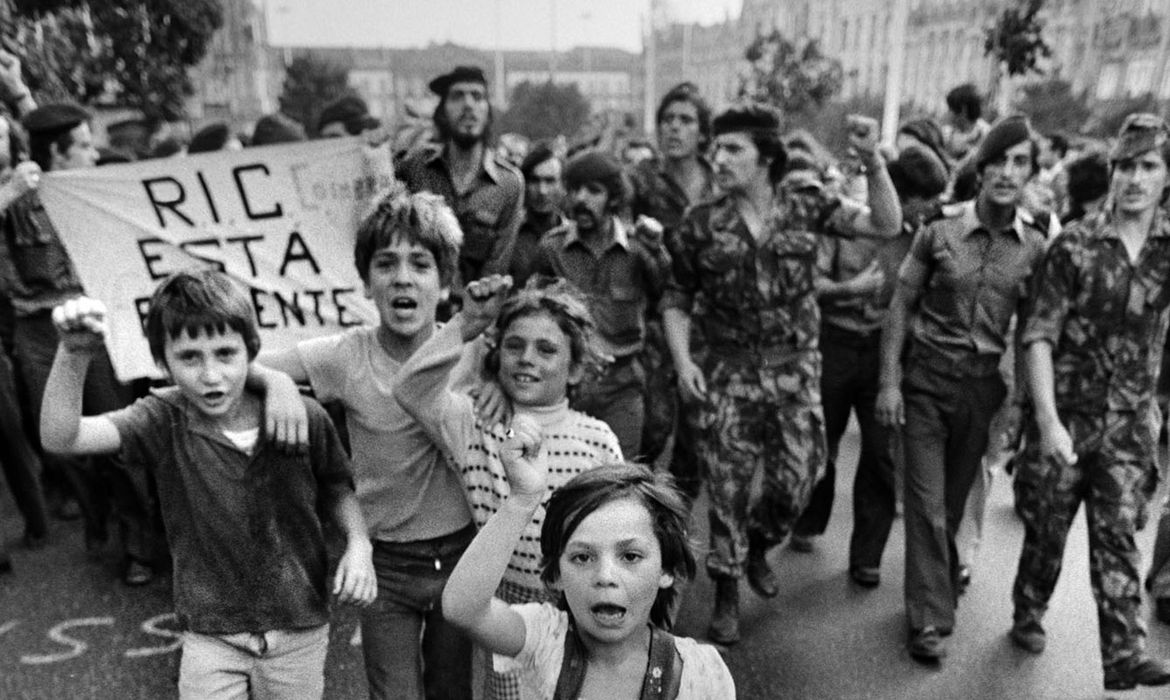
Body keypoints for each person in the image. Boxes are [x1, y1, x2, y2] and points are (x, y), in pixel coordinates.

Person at [39, 270, 376, 699]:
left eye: (224, 353)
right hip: (210, 635)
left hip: (299, 627)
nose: (211, 375)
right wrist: (73, 354)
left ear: (252, 350)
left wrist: (359, 544)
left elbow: (336, 485)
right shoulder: (162, 419)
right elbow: (61, 437)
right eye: (190, 357)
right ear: (162, 361)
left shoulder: (302, 415)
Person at [663, 103, 901, 644]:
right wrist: (684, 363)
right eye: (716, 149)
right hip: (727, 374)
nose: (718, 159)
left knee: (800, 479)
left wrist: (874, 163)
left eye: (733, 149)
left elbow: (885, 225)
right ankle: (726, 590)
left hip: (795, 373)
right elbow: (676, 298)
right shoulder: (701, 224)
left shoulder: (806, 204)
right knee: (724, 487)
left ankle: (760, 544)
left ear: (765, 156)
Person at [256, 188, 478, 700]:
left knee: (454, 692)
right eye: (386, 263)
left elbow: (505, 430)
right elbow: (245, 365)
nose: (402, 276)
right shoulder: (344, 355)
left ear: (445, 282)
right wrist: (281, 384)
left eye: (420, 264)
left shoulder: (471, 352)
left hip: (464, 555)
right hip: (387, 566)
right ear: (365, 279)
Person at [394, 274, 623, 699]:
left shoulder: (597, 439)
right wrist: (468, 323)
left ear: (575, 368)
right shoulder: (476, 425)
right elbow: (409, 387)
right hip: (507, 610)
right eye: (514, 346)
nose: (527, 358)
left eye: (547, 349)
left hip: (581, 603)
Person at [876, 115, 1051, 664]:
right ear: (980, 167)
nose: (1006, 173)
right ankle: (929, 618)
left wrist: (1022, 404)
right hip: (926, 383)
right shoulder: (939, 229)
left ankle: (935, 586)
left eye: (1019, 162)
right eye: (997, 160)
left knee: (951, 508)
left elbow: (1032, 335)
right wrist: (889, 383)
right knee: (926, 504)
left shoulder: (1035, 249)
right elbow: (900, 304)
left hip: (982, 394)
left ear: (1030, 175)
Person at [1011, 113, 1170, 691]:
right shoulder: (1075, 244)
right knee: (1047, 532)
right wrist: (1048, 422)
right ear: (1112, 173)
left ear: (1165, 178)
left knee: (1118, 533)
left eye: (1148, 166)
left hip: (1129, 426)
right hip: (1069, 420)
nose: (1134, 178)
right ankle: (1027, 609)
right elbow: (1038, 336)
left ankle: (1124, 653)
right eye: (1125, 166)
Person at [0, 102, 152, 580]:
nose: (93, 153)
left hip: (97, 320)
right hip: (39, 330)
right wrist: (7, 196)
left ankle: (139, 548)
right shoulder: (14, 197)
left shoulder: (98, 189)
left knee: (117, 433)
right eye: (83, 146)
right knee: (60, 442)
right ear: (58, 155)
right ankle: (96, 516)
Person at [442, 452, 735, 699]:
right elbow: (462, 609)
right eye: (582, 557)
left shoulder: (701, 673)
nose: (605, 576)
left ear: (666, 570)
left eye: (630, 556)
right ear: (555, 573)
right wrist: (522, 500)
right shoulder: (546, 640)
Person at [789, 144, 949, 588]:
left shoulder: (927, 237)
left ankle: (866, 556)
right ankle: (809, 519)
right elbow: (809, 284)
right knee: (822, 443)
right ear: (900, 191)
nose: (928, 209)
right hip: (834, 343)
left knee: (881, 455)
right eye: (923, 199)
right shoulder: (850, 223)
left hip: (884, 349)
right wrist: (851, 289)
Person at [534, 151, 672, 458]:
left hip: (621, 386)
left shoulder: (638, 249)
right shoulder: (552, 248)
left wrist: (658, 251)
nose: (582, 199)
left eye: (594, 191)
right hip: (565, 386)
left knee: (620, 477)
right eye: (576, 189)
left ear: (613, 197)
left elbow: (666, 293)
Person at [628, 81, 716, 495]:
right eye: (667, 120)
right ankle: (636, 502)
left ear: (703, 131)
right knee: (655, 424)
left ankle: (677, 515)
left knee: (697, 433)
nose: (674, 128)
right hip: (656, 318)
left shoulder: (722, 182)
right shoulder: (641, 182)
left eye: (685, 120)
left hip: (713, 320)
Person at [397, 65, 523, 297]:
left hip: (476, 314)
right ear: (443, 111)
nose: (468, 105)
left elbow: (497, 265)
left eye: (477, 96)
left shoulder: (508, 183)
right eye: (457, 96)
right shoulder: (414, 169)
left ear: (488, 110)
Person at [0, 111, 48, 570]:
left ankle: (38, 516)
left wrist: (17, 90)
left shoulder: (26, 176)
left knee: (13, 428)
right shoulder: (12, 187)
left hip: (20, 314)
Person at [510, 144, 566, 288]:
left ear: (563, 185)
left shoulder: (571, 237)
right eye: (535, 181)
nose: (542, 191)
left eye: (550, 181)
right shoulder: (509, 231)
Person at [942, 83, 990, 162]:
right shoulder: (946, 134)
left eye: (951, 109)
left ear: (963, 110)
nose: (948, 113)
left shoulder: (986, 134)